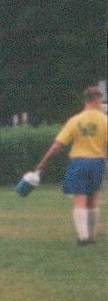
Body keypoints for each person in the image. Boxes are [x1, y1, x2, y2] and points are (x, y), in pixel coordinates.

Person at [29, 86, 106, 245]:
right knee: (93, 199)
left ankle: (82, 237)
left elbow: (57, 145)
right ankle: (91, 236)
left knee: (79, 199)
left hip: (78, 162)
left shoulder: (75, 120)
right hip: (97, 162)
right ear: (97, 100)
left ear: (86, 100)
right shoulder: (104, 120)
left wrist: (42, 163)